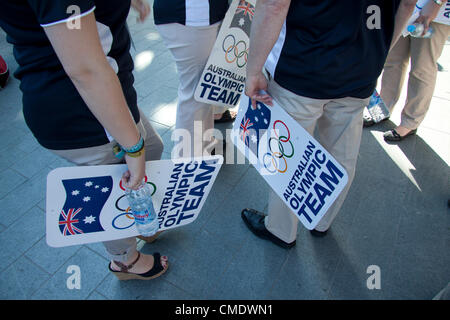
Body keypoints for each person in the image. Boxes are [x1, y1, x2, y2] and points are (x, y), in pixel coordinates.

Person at [0, 0, 168, 280]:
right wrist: (133, 147)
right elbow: (86, 70)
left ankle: (139, 223)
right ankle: (124, 261)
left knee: (152, 148)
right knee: (117, 185)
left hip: (101, 96)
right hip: (85, 109)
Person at [241, 0, 418, 248]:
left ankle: (282, 230)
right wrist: (380, 52)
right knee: (342, 150)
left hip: (302, 64)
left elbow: (274, 4)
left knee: (286, 154)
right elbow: (408, 4)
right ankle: (322, 220)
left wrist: (253, 70)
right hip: (362, 64)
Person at [152, 0, 230, 157]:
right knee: (195, 92)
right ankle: (187, 160)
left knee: (204, 88)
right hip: (192, 14)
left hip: (197, 14)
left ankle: (204, 144)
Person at [365, 0, 450, 142]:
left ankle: (410, 122)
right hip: (404, 6)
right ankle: (383, 107)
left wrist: (436, 3)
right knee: (393, 60)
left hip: (434, 9)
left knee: (422, 67)